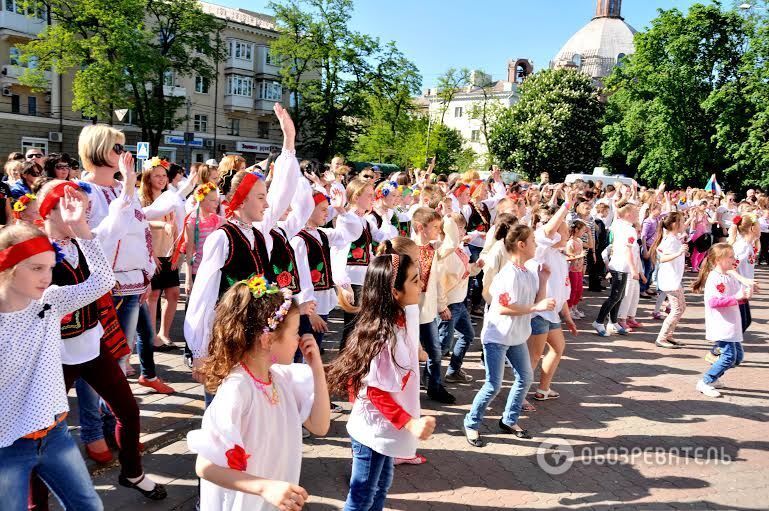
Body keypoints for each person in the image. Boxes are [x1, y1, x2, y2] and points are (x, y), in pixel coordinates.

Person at [31, 179, 167, 505]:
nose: (83, 211)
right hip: (54, 356)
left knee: (128, 412)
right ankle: (36, 503)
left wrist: (128, 184)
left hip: (91, 346)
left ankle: (132, 472)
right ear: (48, 210)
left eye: (84, 206)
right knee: (38, 434)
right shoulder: (35, 251)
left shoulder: (83, 242)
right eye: (71, 205)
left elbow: (104, 275)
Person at [0, 202, 114, 510]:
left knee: (90, 507)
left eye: (50, 267)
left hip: (56, 435)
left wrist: (82, 231)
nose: (47, 277)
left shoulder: (50, 303)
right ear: (8, 268)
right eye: (37, 268)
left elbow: (104, 281)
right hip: (7, 446)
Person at [185, 103, 299, 406]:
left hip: (253, 334)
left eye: (265, 197)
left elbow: (283, 192)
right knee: (221, 410)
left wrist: (289, 143)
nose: (266, 203)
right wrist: (199, 350)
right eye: (260, 197)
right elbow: (203, 294)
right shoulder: (222, 238)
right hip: (225, 336)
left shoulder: (260, 232)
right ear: (241, 200)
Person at [188, 276, 330, 511]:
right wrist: (264, 487)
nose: (299, 338)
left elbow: (320, 425)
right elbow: (204, 466)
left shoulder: (282, 378)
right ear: (268, 339)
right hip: (245, 503)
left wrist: (316, 370)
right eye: (294, 332)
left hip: (272, 501)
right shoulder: (237, 390)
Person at [327, 254, 436, 511]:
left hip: (387, 427)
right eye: (415, 280)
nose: (421, 285)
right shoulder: (383, 335)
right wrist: (409, 422)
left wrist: (417, 351)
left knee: (381, 487)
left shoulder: (401, 316)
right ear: (395, 292)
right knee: (361, 496)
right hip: (372, 430)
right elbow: (375, 391)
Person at [464, 224, 554, 447]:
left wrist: (543, 280)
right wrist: (535, 308)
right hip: (497, 336)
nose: (536, 244)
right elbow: (503, 308)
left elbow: (536, 302)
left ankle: (509, 420)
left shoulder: (528, 272)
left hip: (517, 336)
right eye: (532, 240)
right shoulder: (508, 274)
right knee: (493, 385)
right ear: (521, 245)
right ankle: (471, 424)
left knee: (525, 377)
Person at [526, 198, 578, 403]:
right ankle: (518, 396)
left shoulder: (559, 255)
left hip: (552, 313)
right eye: (563, 231)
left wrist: (567, 316)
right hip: (538, 312)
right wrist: (565, 206)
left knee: (558, 348)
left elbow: (562, 291)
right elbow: (548, 231)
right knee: (534, 355)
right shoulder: (541, 247)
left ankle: (543, 389)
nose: (566, 235)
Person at [692, 243, 751, 398]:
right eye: (730, 257)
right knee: (729, 356)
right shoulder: (715, 278)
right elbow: (714, 302)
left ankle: (714, 377)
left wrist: (744, 296)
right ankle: (705, 381)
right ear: (719, 259)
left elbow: (736, 296)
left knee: (737, 357)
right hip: (721, 324)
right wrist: (736, 298)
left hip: (731, 323)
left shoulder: (729, 276)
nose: (734, 259)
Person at [438, 213, 483, 383]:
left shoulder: (458, 248)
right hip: (449, 303)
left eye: (464, 227)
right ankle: (429, 377)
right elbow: (439, 282)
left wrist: (476, 267)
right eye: (460, 227)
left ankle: (453, 370)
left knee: (468, 335)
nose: (464, 230)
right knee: (442, 345)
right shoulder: (446, 251)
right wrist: (442, 306)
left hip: (459, 301)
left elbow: (464, 272)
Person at [593, 202, 638, 337]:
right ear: (629, 214)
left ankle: (613, 322)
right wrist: (634, 269)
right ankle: (599, 321)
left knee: (620, 296)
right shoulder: (629, 229)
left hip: (619, 266)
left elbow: (617, 210)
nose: (637, 216)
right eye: (635, 213)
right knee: (615, 296)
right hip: (620, 266)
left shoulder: (618, 224)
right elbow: (628, 251)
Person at [651, 213, 688, 348]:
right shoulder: (670, 240)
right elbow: (663, 258)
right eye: (682, 221)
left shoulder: (672, 238)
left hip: (674, 279)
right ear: (674, 224)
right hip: (670, 280)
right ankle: (662, 338)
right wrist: (679, 253)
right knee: (677, 309)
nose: (684, 224)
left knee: (681, 308)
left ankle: (668, 335)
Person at [566, 220, 588, 319]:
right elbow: (568, 257)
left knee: (579, 290)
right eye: (582, 230)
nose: (584, 232)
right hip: (572, 270)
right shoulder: (571, 242)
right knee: (573, 290)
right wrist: (579, 256)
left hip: (579, 269)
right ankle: (569, 309)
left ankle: (575, 308)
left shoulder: (579, 241)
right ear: (576, 229)